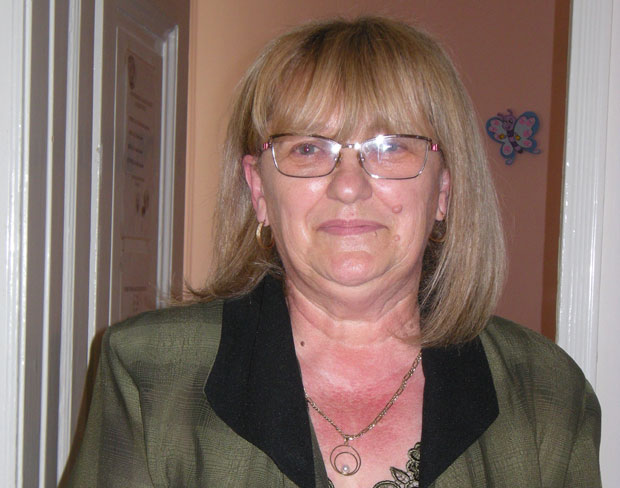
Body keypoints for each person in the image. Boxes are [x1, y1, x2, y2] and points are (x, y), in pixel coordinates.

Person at [64, 17, 601, 487]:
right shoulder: (149, 375)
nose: (348, 185)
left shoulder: (545, 391)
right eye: (308, 147)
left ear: (442, 190)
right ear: (259, 190)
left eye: (390, 147)